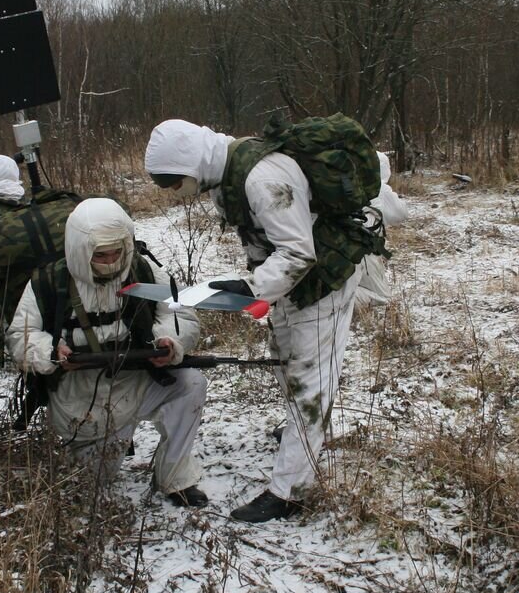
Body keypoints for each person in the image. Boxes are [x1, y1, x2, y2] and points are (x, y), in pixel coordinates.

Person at [145, 119, 369, 523]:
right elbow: (264, 240)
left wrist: (249, 288)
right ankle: (304, 433)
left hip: (322, 281)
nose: (175, 191)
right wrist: (252, 285)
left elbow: (299, 253)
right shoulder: (226, 175)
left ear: (191, 165)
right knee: (284, 356)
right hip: (286, 284)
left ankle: (289, 492)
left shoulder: (262, 177)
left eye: (175, 182)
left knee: (307, 380)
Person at [6, 198, 209, 507]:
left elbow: (180, 313)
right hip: (82, 400)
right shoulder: (48, 282)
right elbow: (21, 336)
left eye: (117, 252)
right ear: (80, 249)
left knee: (191, 383)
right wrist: (50, 352)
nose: (112, 261)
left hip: (135, 381)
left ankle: (175, 476)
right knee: (95, 483)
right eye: (101, 255)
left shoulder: (142, 268)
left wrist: (167, 342)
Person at [354, 151, 409, 309]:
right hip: (364, 252)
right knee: (381, 299)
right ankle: (336, 301)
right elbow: (401, 214)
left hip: (340, 247)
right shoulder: (379, 190)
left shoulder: (343, 186)